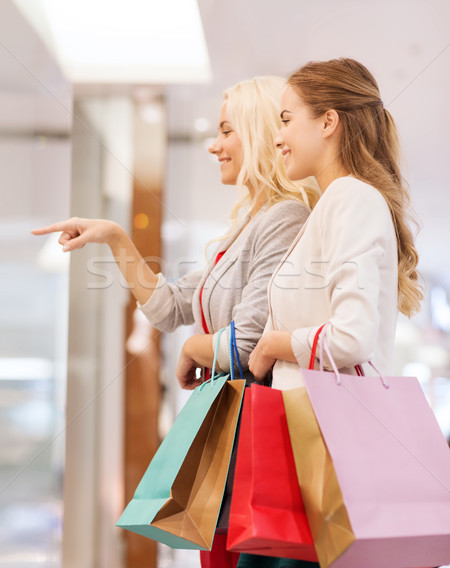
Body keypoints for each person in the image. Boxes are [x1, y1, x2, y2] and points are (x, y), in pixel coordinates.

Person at [32, 75, 318, 568]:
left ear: (256, 132)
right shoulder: (248, 225)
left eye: (227, 131)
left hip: (256, 433)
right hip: (229, 431)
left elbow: (248, 346)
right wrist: (117, 239)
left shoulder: (286, 217)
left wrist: (193, 350)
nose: (214, 145)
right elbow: (167, 308)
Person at [243, 58, 423, 568]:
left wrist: (274, 345)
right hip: (313, 440)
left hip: (325, 447)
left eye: (285, 119)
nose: (276, 137)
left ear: (328, 121)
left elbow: (352, 338)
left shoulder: (350, 199)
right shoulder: (336, 203)